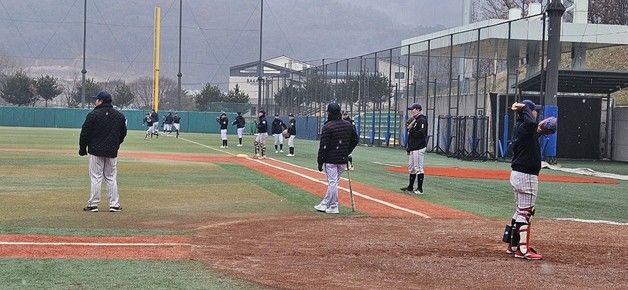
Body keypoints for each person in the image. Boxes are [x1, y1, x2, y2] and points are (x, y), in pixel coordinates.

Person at [502, 99, 544, 260]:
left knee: (520, 210)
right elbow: (532, 125)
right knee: (526, 213)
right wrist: (526, 108)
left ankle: (512, 245)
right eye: (534, 110)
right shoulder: (526, 126)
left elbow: (531, 132)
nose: (536, 113)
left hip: (519, 173)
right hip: (526, 175)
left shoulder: (520, 127)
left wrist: (540, 132)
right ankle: (523, 249)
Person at [79, 91, 127, 212]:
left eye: (97, 99)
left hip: (95, 151)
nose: (95, 101)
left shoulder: (93, 115)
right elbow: (123, 133)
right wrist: (116, 144)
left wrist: (82, 148)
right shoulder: (119, 116)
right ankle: (114, 204)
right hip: (112, 151)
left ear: (101, 101)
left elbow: (85, 132)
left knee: (96, 177)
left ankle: (93, 204)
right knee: (111, 177)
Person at [314, 103, 359, 214]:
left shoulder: (327, 126)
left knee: (332, 182)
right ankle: (329, 204)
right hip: (343, 159)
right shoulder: (348, 125)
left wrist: (320, 162)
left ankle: (330, 205)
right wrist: (347, 151)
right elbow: (355, 140)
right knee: (333, 182)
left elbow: (323, 146)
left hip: (331, 159)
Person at [400, 103, 428, 195]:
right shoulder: (415, 120)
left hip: (419, 147)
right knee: (411, 168)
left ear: (419, 110)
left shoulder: (422, 120)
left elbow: (421, 133)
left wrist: (411, 130)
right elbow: (411, 136)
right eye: (412, 109)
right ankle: (410, 187)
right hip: (413, 147)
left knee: (418, 168)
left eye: (414, 109)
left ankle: (420, 189)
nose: (412, 111)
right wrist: (409, 148)